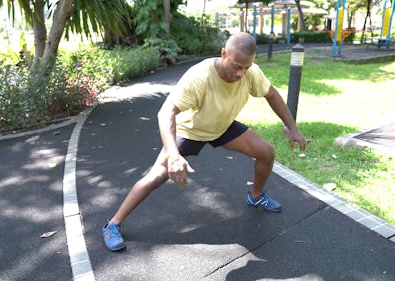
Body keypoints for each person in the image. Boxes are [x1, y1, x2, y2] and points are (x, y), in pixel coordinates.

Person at [102, 32, 307, 252]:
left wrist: (292, 128)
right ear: (223, 54)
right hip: (191, 130)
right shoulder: (199, 76)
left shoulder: (250, 73)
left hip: (223, 126)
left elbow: (272, 95)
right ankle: (113, 224)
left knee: (266, 153)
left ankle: (256, 196)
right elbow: (165, 113)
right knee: (156, 177)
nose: (241, 73)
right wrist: (173, 155)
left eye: (246, 67)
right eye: (237, 66)